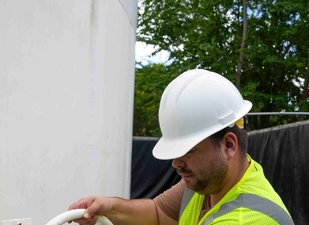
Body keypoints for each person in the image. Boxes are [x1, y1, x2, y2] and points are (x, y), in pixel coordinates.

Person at [68, 69, 294, 225]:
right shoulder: (210, 181)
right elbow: (157, 214)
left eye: (187, 150)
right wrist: (108, 207)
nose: (176, 163)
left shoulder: (246, 219)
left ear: (228, 145)